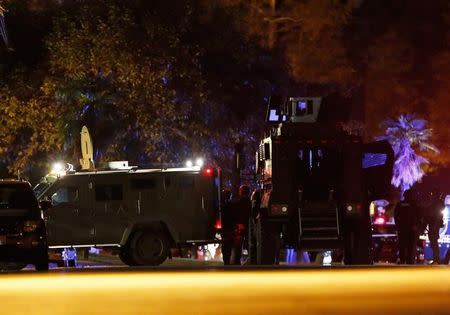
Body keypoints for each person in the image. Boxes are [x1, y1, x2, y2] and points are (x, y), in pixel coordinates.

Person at [221, 185, 251, 265]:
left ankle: (229, 263)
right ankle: (236, 262)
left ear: (240, 192)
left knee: (229, 248)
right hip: (241, 228)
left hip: (233, 228)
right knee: (237, 248)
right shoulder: (248, 203)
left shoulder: (233, 204)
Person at [394, 189, 421, 264]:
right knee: (410, 245)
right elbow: (418, 216)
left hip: (403, 228)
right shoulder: (414, 204)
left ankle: (403, 260)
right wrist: (416, 226)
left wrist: (398, 226)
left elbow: (396, 216)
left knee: (402, 245)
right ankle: (409, 261)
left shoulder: (400, 204)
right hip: (411, 228)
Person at [423, 189, 444, 264]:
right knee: (433, 242)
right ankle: (436, 259)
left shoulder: (438, 203)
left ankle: (436, 259)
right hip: (433, 223)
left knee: (434, 242)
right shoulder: (436, 203)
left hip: (435, 223)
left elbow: (436, 214)